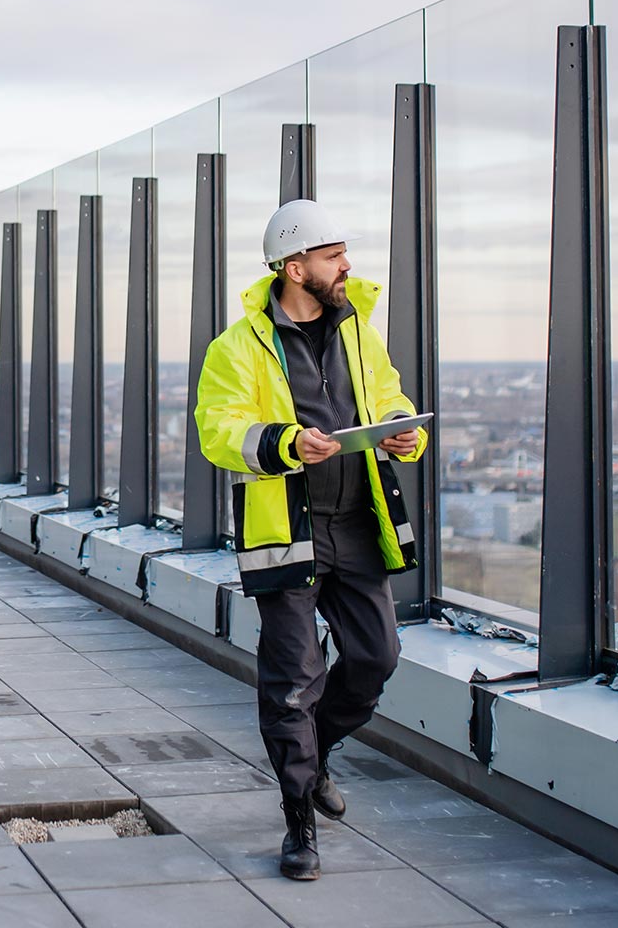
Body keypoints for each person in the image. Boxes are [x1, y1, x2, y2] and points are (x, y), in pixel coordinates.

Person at [193, 199, 427, 880]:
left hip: (358, 524)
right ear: (296, 267)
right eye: (333, 256)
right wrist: (289, 442)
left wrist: (405, 429)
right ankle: (299, 822)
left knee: (376, 659)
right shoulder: (236, 347)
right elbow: (219, 432)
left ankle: (314, 757)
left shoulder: (359, 332)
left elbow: (388, 397)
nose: (347, 266)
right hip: (286, 535)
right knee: (292, 683)